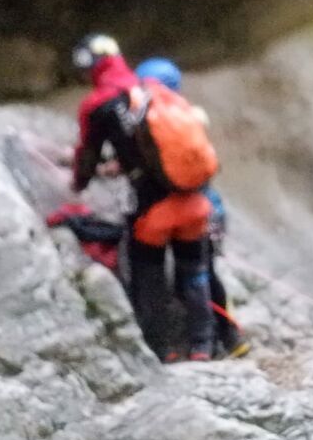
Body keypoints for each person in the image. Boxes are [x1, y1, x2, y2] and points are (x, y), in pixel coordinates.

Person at [70, 34, 215, 362]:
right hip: (193, 203)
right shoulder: (150, 91)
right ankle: (203, 345)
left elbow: (87, 155)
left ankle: (164, 349)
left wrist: (79, 182)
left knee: (148, 275)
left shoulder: (99, 104)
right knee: (194, 272)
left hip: (153, 210)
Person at [135, 57, 249, 359]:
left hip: (165, 211)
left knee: (158, 273)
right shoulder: (189, 118)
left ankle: (168, 345)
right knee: (202, 274)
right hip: (205, 207)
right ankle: (222, 339)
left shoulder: (151, 119)